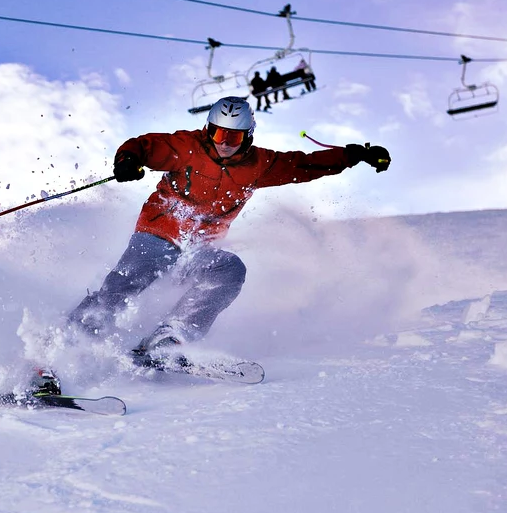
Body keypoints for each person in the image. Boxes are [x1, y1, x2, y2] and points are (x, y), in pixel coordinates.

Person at [65, 96, 391, 369]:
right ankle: (59, 351)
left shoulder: (259, 164)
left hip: (198, 250)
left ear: (247, 136)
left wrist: (354, 155)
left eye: (232, 138)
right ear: (208, 130)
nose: (223, 144)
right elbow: (145, 146)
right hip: (157, 235)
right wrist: (128, 160)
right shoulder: (188, 147)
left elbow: (303, 165)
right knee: (120, 289)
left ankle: (168, 340)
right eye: (218, 135)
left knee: (229, 269)